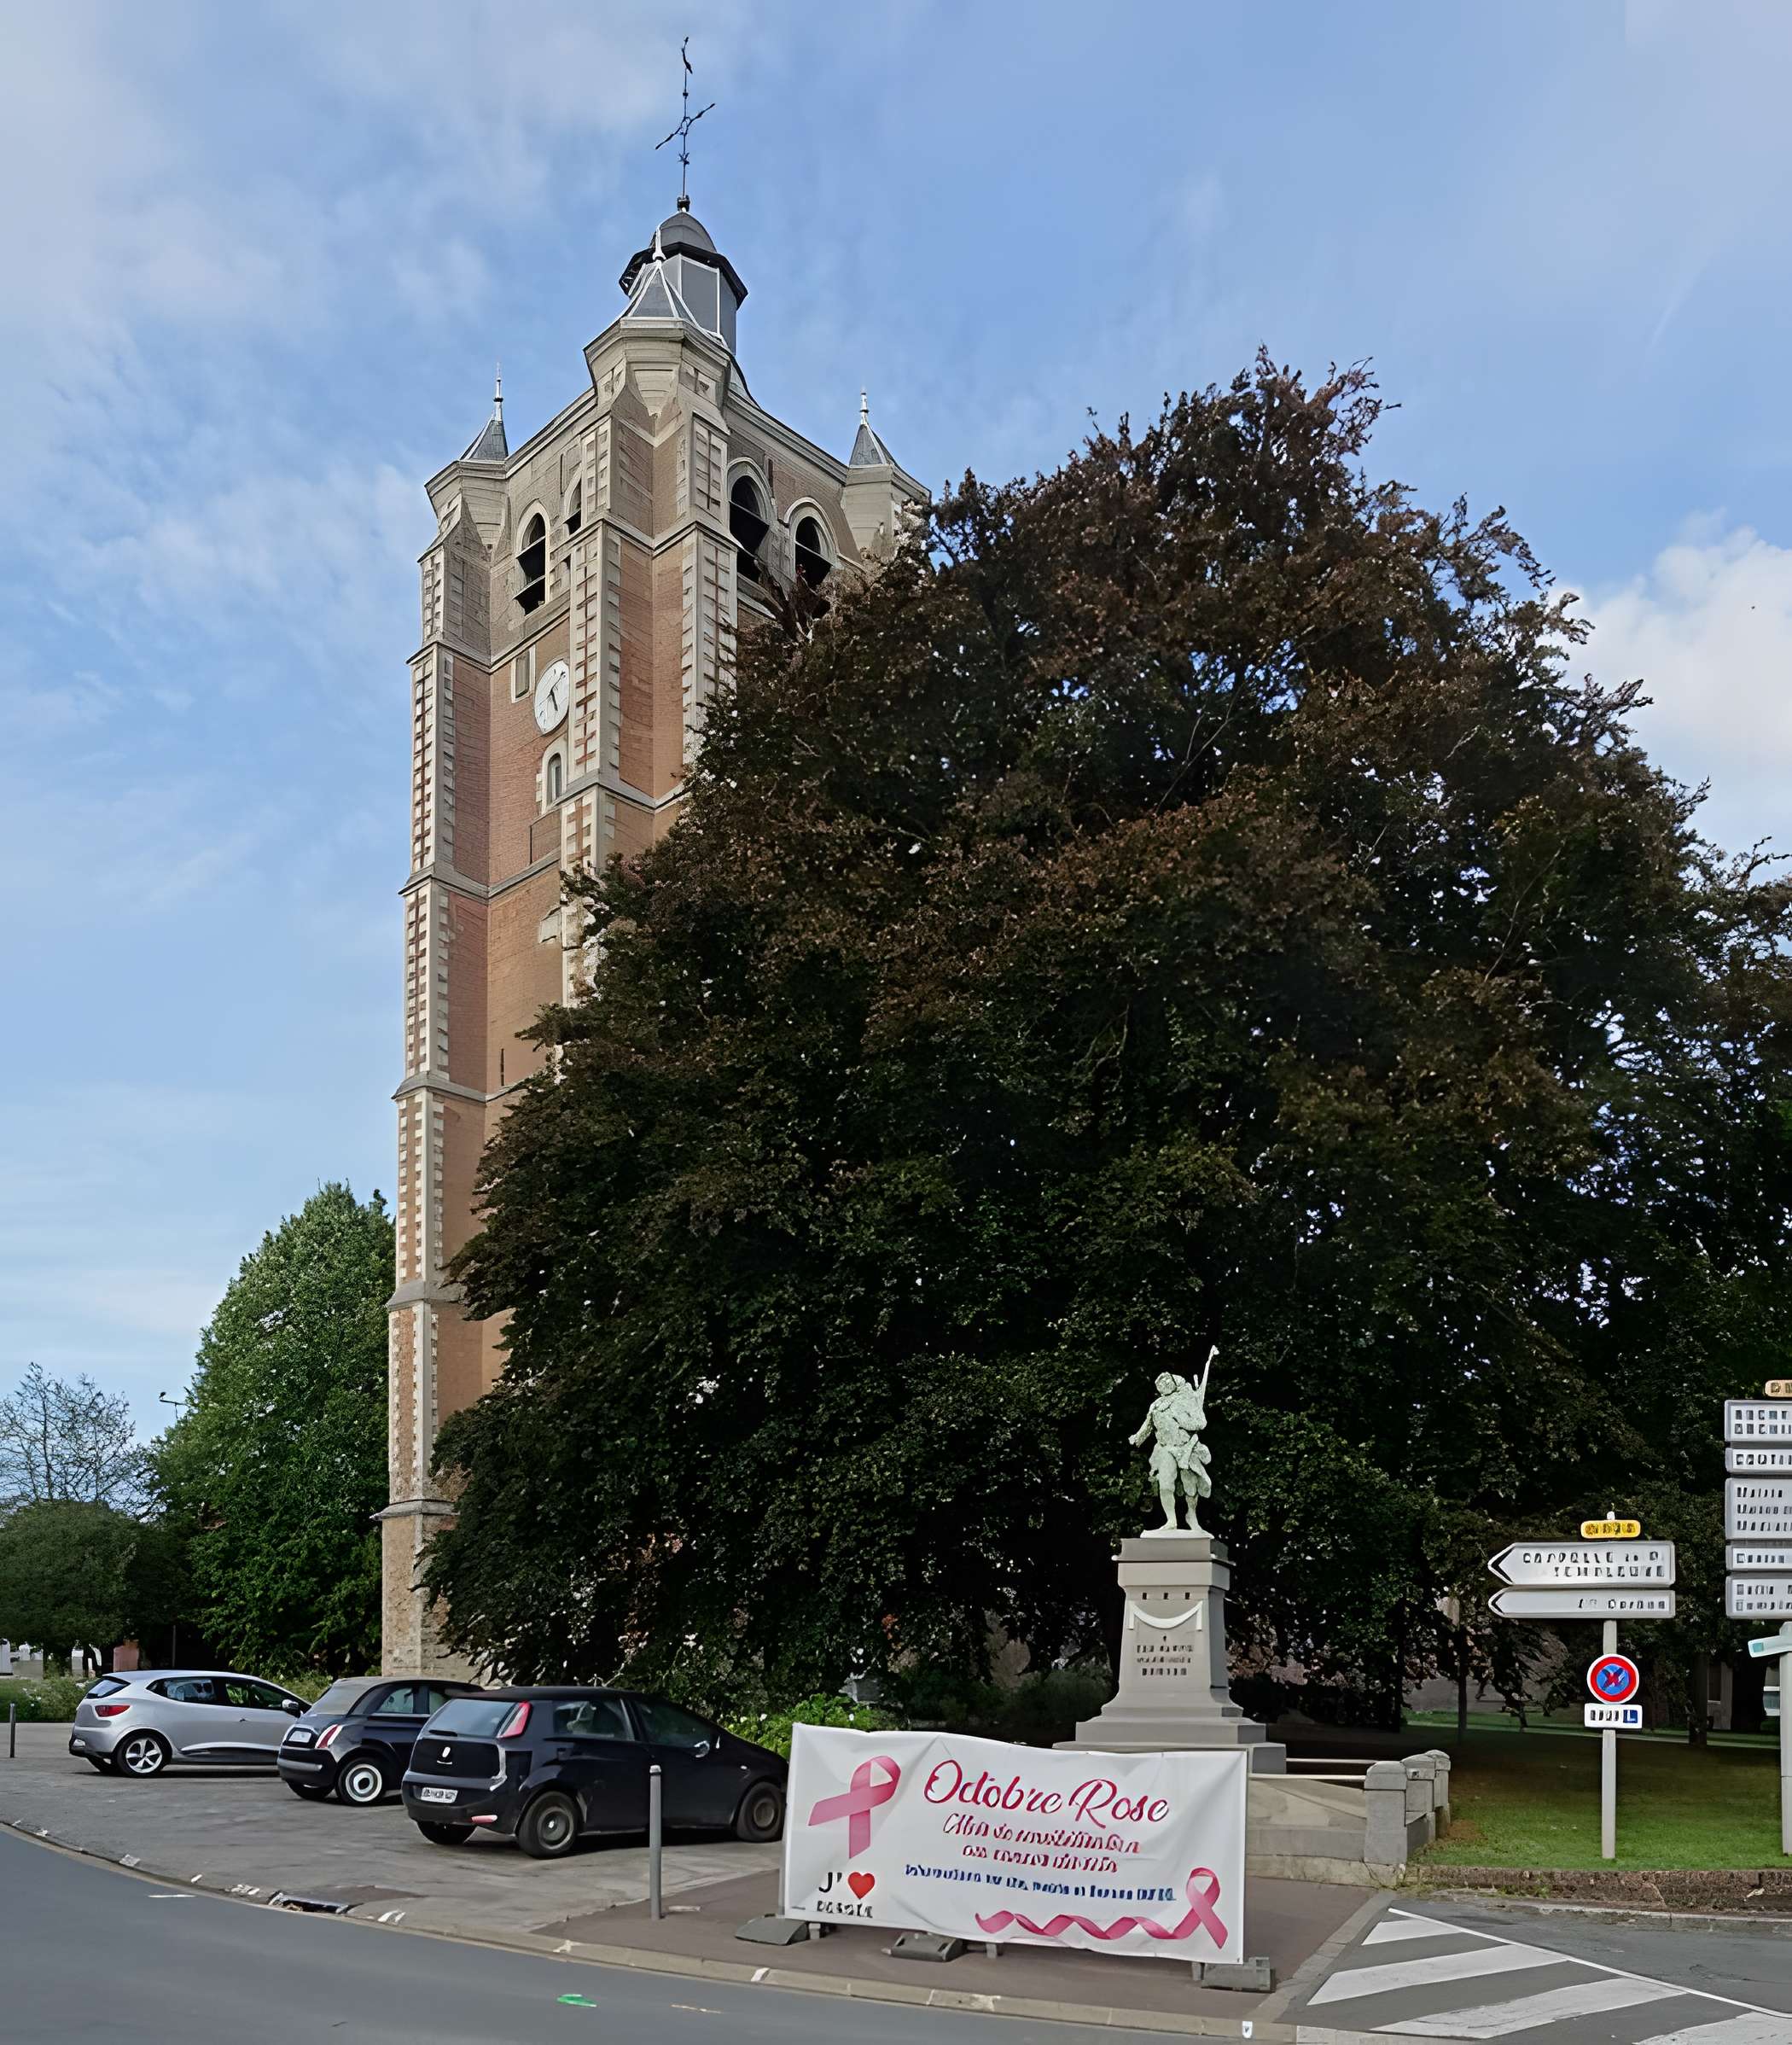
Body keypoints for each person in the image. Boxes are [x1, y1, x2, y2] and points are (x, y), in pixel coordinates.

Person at [1130, 1368, 1212, 1533]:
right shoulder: (1156, 1405)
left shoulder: (1185, 1399)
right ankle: (1171, 1520)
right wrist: (1137, 1437)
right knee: (1165, 1484)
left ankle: (1192, 1516)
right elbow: (1148, 1424)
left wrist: (1181, 1419)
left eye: (1167, 1380)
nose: (1165, 1384)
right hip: (1165, 1449)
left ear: (1174, 1381)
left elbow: (1200, 1423)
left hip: (1186, 1448)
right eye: (1161, 1383)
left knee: (1191, 1486)